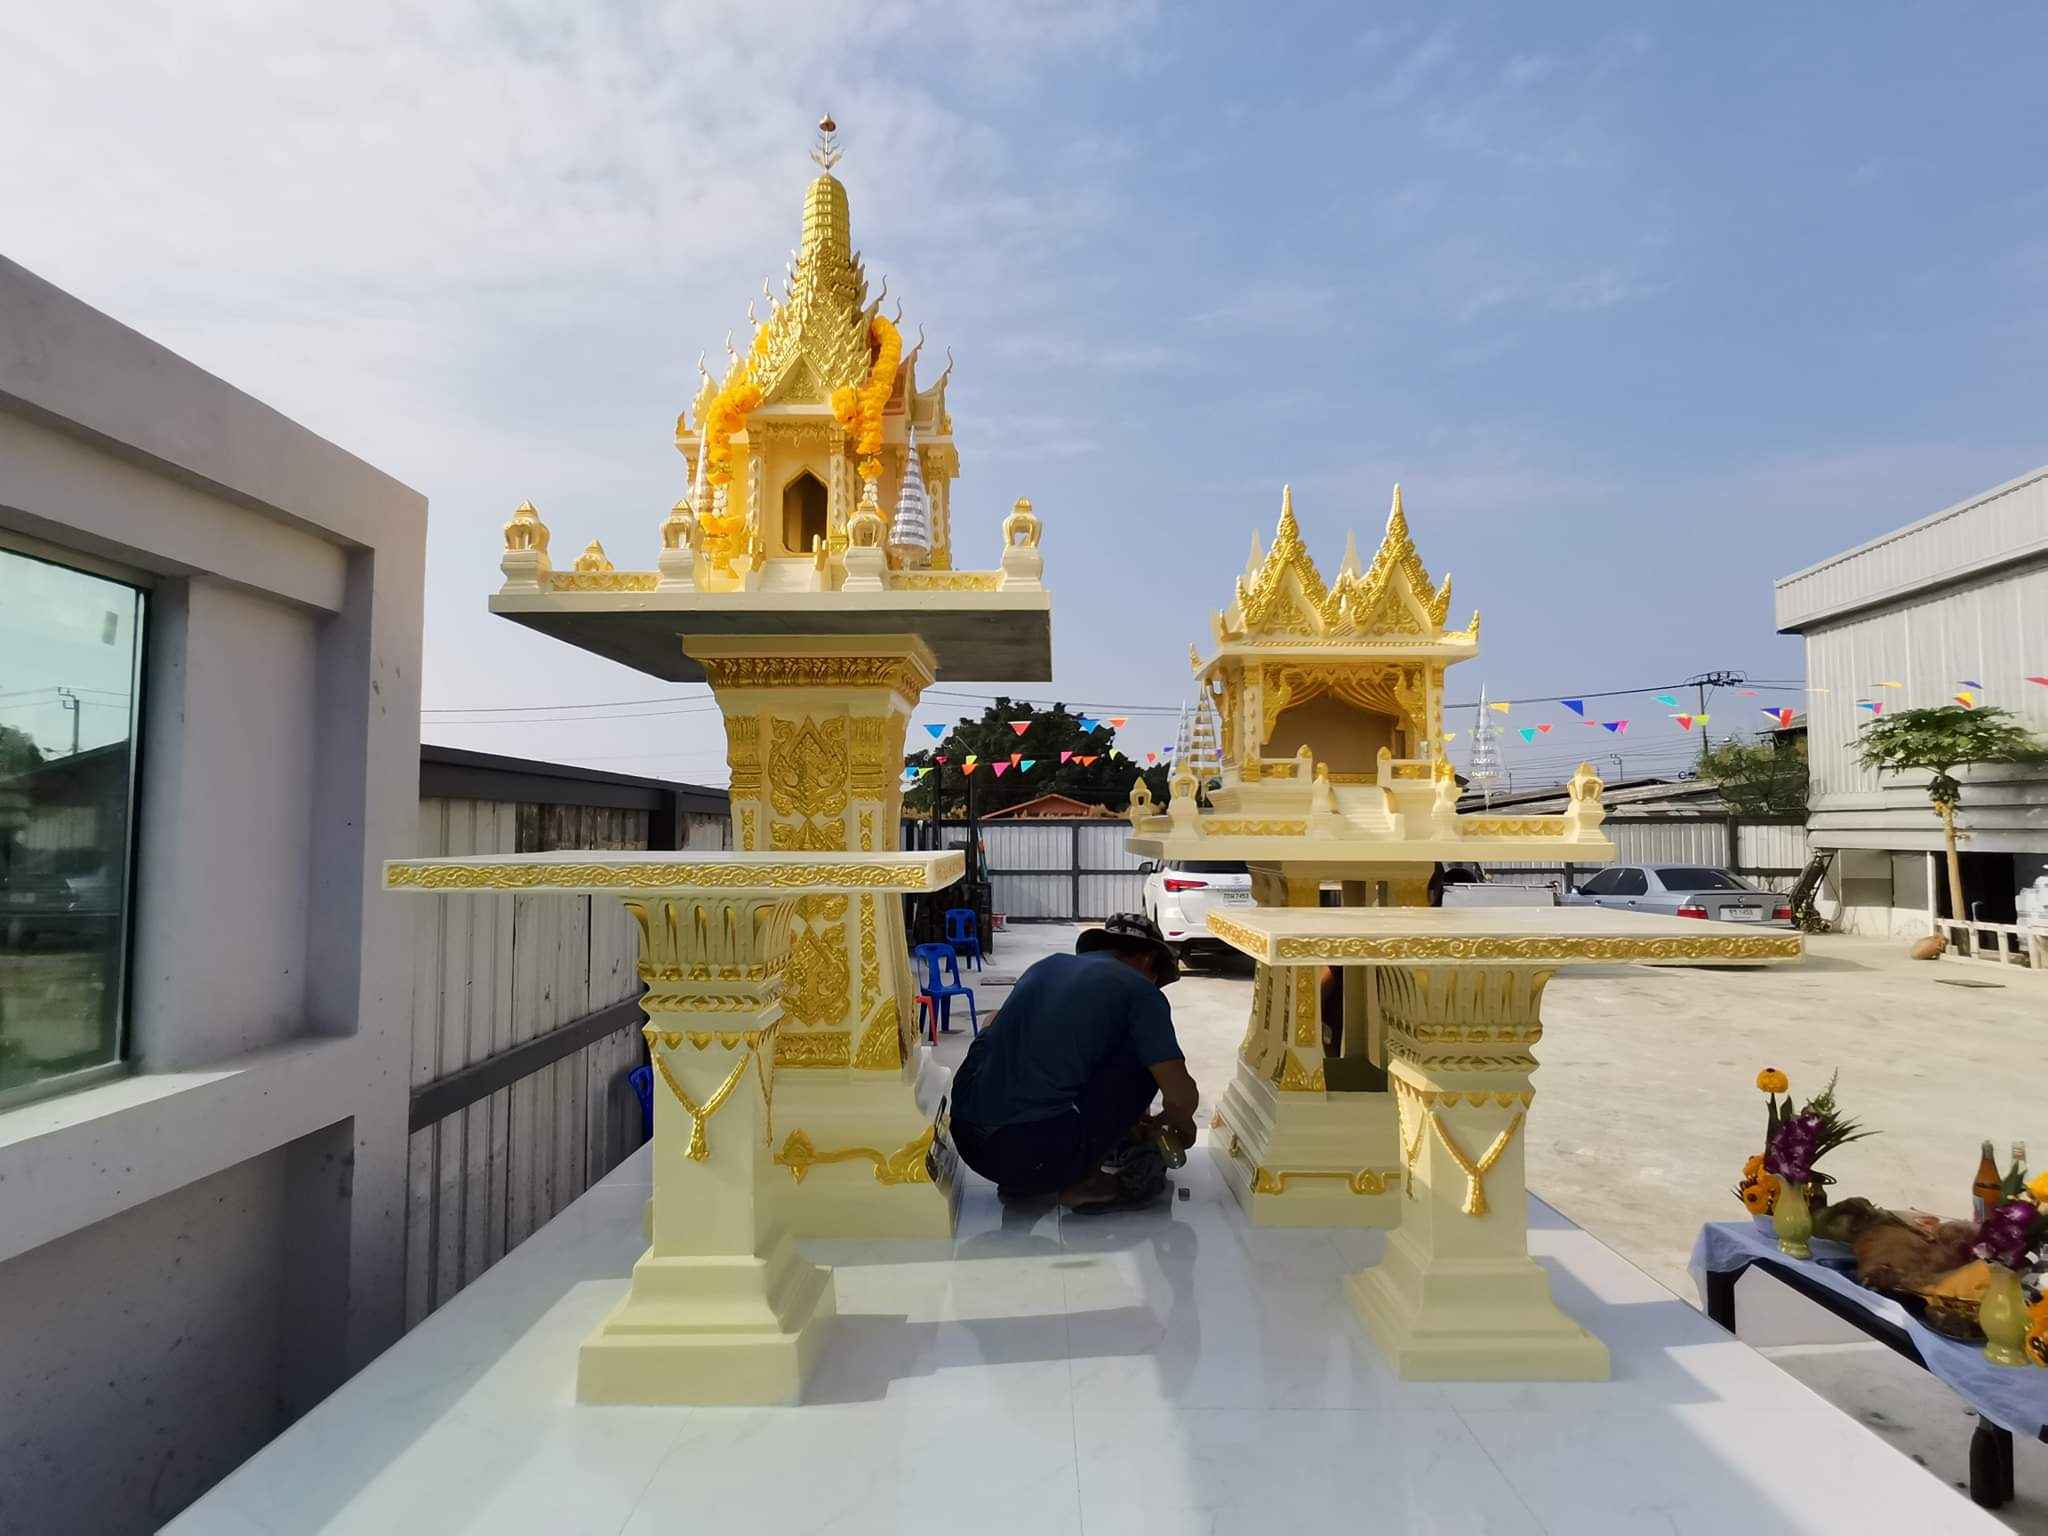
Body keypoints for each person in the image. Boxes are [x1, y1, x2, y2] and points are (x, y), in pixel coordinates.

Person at [947, 913, 1199, 1212]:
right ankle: (1086, 1184)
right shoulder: (1140, 989)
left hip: (969, 1142)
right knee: (1143, 1060)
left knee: (1008, 1040)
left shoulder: (1046, 966)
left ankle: (1028, 1177)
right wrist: (1182, 1129)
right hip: (1032, 1154)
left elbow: (991, 1022)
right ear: (1148, 961)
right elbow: (1180, 1097)